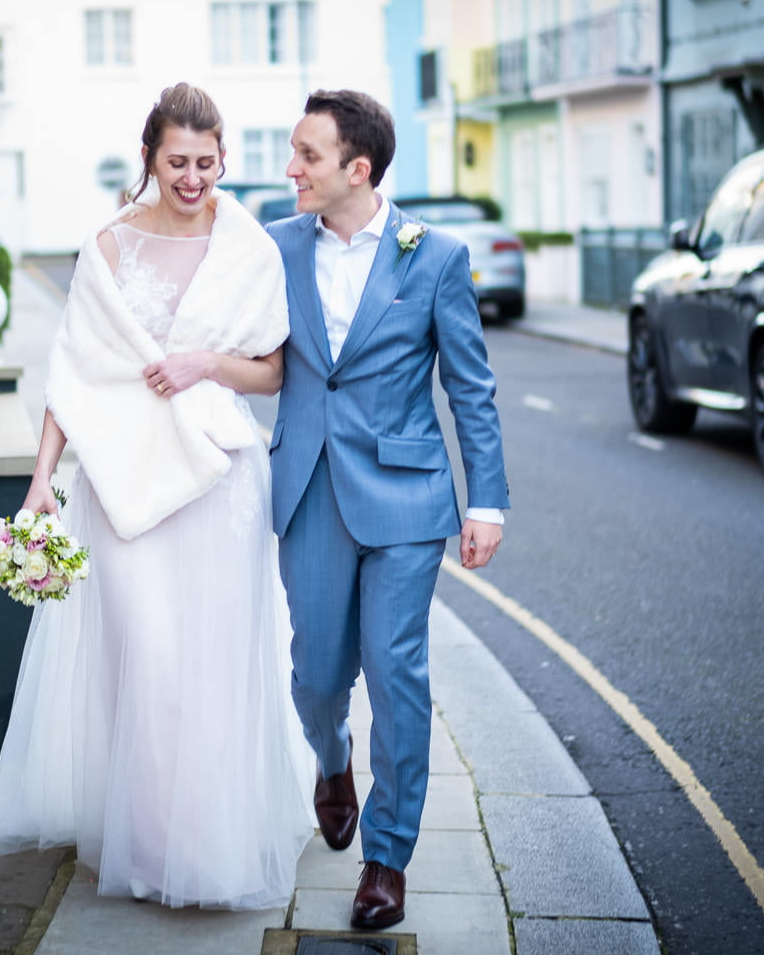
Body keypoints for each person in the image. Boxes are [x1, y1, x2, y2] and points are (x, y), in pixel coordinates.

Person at [0, 83, 313, 910]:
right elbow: (73, 374)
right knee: (149, 662)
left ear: (223, 158)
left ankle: (205, 849)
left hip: (218, 479)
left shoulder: (248, 249)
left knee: (212, 666)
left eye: (207, 162)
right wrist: (40, 481)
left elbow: (272, 373)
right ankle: (157, 846)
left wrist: (203, 364)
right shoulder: (110, 247)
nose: (194, 177)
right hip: (122, 478)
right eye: (177, 162)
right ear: (149, 158)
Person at [265, 89, 510, 930]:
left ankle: (386, 858)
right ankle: (332, 766)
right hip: (310, 493)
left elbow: (469, 388)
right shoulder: (272, 248)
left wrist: (488, 505)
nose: (289, 169)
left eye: (305, 155)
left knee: (399, 675)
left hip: (408, 501)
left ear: (356, 168)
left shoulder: (433, 255)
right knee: (316, 677)